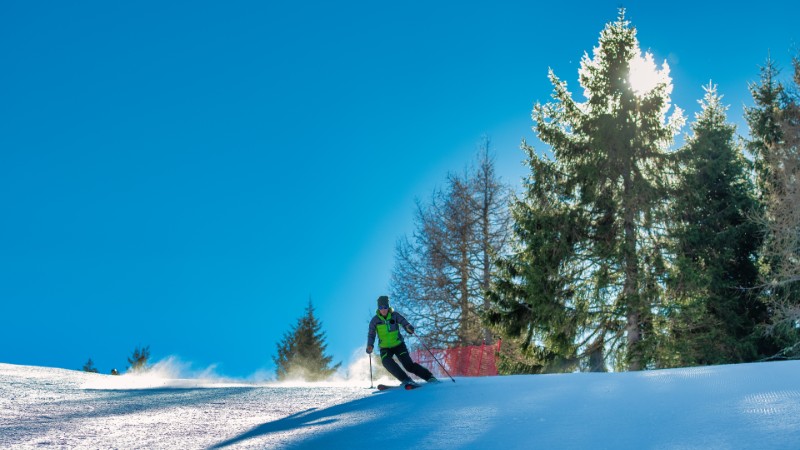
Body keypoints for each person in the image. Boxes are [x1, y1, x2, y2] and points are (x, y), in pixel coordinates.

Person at [366, 295, 438, 387]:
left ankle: (429, 377)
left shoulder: (395, 315)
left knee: (408, 366)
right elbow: (371, 334)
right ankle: (406, 379)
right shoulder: (375, 320)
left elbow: (404, 323)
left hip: (398, 345)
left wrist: (408, 327)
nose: (383, 309)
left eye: (385, 307)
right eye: (381, 307)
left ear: (388, 307)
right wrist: (370, 345)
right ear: (378, 308)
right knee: (386, 362)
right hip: (385, 347)